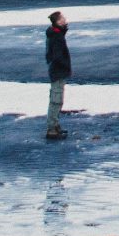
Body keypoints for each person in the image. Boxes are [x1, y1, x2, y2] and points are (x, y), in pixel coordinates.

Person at [43, 10, 72, 140]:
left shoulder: (57, 34)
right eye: (63, 18)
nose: (65, 20)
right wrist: (64, 65)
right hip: (57, 71)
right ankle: (52, 128)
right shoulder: (56, 36)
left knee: (57, 98)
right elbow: (56, 55)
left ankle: (55, 125)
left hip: (58, 70)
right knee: (56, 99)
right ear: (58, 21)